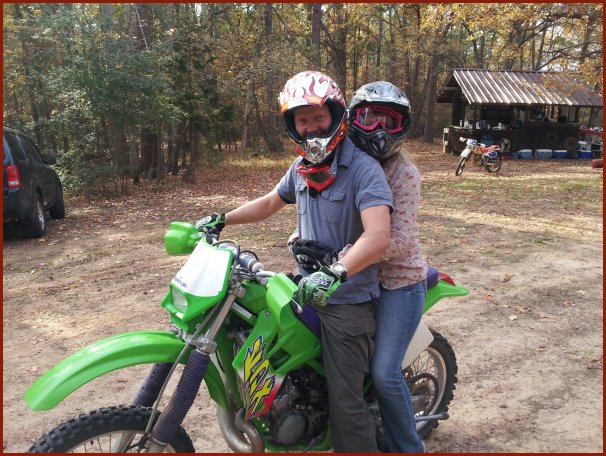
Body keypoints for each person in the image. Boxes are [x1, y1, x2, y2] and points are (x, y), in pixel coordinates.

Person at [196, 70, 393, 452]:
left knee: (346, 402)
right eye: (302, 120)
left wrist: (337, 273)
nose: (311, 127)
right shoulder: (302, 169)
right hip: (305, 287)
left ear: (336, 115)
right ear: (292, 125)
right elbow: (270, 202)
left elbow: (378, 235)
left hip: (347, 299)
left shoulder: (363, 169)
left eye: (318, 116)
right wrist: (223, 219)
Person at [347, 81, 428, 453]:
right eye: (370, 118)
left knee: (384, 372)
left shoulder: (404, 173)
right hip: (356, 278)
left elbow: (403, 239)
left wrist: (352, 255)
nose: (379, 129)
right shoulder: (347, 163)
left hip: (399, 282)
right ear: (354, 119)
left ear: (402, 126)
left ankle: (409, 447)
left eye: (388, 121)